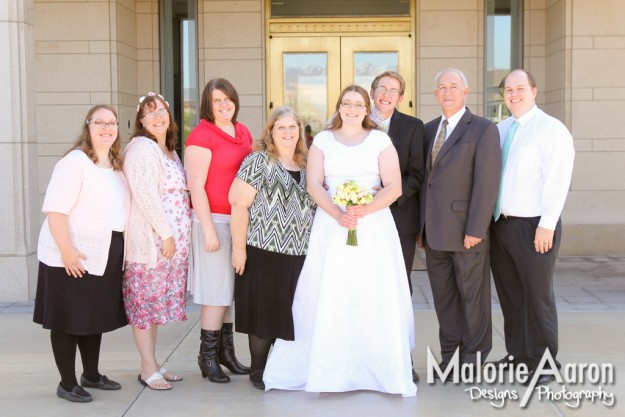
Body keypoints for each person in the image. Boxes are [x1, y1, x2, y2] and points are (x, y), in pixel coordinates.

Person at [264, 85, 417, 397]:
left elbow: (393, 187)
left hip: (373, 227)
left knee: (370, 292)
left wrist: (362, 211)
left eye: (358, 103)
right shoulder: (322, 141)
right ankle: (328, 367)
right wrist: (338, 213)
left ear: (367, 108)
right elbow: (314, 185)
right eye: (346, 103)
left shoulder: (380, 140)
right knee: (331, 290)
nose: (351, 108)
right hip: (332, 226)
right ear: (338, 106)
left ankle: (375, 369)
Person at [33, 105, 129, 402]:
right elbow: (56, 210)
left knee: (93, 316)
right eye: (99, 122)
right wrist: (67, 251)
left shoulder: (114, 164)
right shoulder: (74, 162)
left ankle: (91, 374)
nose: (106, 128)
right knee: (68, 318)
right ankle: (67, 382)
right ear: (87, 127)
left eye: (111, 122)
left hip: (104, 252)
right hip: (72, 255)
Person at [490, 69, 575, 386]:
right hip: (501, 225)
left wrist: (547, 225)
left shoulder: (550, 129)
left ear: (534, 91)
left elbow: (558, 181)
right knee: (511, 297)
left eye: (520, 88)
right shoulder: (500, 130)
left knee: (537, 297)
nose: (514, 94)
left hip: (534, 226)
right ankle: (519, 354)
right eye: (508, 89)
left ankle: (545, 364)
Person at [418, 68, 501, 373]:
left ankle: (475, 359)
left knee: (472, 299)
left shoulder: (481, 129)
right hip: (434, 233)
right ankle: (450, 358)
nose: (447, 92)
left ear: (465, 92)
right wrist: (421, 228)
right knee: (444, 298)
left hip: (467, 232)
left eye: (453, 86)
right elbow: (426, 180)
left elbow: (487, 182)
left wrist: (477, 229)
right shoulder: (427, 130)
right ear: (436, 93)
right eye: (442, 87)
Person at [229, 106, 316, 390]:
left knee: (287, 313)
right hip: (263, 250)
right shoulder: (258, 161)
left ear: (300, 132)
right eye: (281, 128)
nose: (288, 133)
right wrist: (238, 250)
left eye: (293, 127)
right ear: (271, 132)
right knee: (263, 314)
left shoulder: (306, 165)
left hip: (299, 254)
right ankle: (258, 369)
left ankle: (279, 367)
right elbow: (239, 204)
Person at [123, 92, 191, 390]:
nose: (158, 117)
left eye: (161, 111)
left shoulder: (168, 150)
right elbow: (146, 196)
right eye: (150, 113)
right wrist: (166, 234)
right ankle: (147, 367)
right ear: (141, 120)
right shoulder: (142, 149)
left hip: (168, 246)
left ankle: (151, 363)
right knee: (144, 307)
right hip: (152, 244)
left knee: (153, 307)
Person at [186, 78, 252, 383]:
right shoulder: (201, 135)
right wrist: (209, 232)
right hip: (211, 219)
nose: (224, 105)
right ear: (207, 105)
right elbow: (195, 186)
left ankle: (226, 353)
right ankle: (207, 357)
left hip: (238, 219)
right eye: (216, 101)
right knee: (215, 292)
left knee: (229, 292)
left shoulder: (243, 132)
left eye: (227, 99)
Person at [369, 72, 425, 383]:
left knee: (398, 287)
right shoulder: (355, 120)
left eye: (394, 90)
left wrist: (388, 196)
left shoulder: (413, 127)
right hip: (360, 220)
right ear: (372, 92)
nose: (387, 94)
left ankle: (401, 356)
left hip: (399, 218)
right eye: (382, 89)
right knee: (365, 286)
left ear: (400, 97)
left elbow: (417, 175)